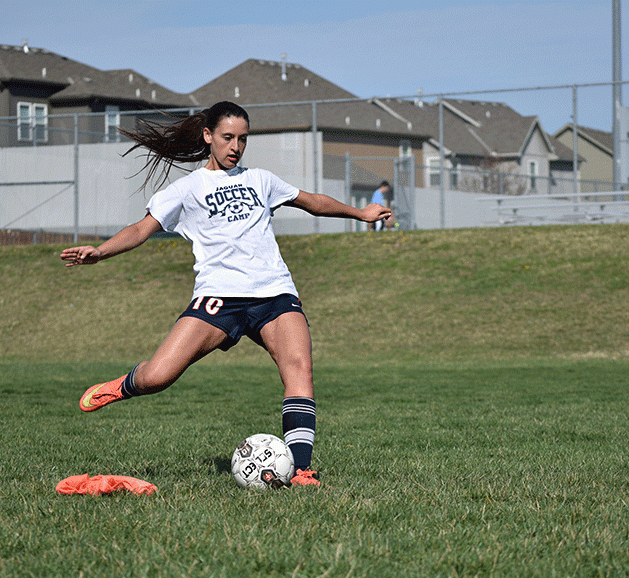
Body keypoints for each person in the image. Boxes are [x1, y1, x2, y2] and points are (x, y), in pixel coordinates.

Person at [60, 101, 391, 485]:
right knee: (158, 377)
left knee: (299, 369)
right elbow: (140, 229)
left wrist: (360, 213)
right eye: (228, 137)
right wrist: (100, 251)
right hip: (218, 299)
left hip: (274, 293)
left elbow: (312, 202)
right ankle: (124, 385)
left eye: (243, 139)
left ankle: (300, 469)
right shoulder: (187, 189)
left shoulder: (261, 180)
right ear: (208, 136)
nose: (236, 146)